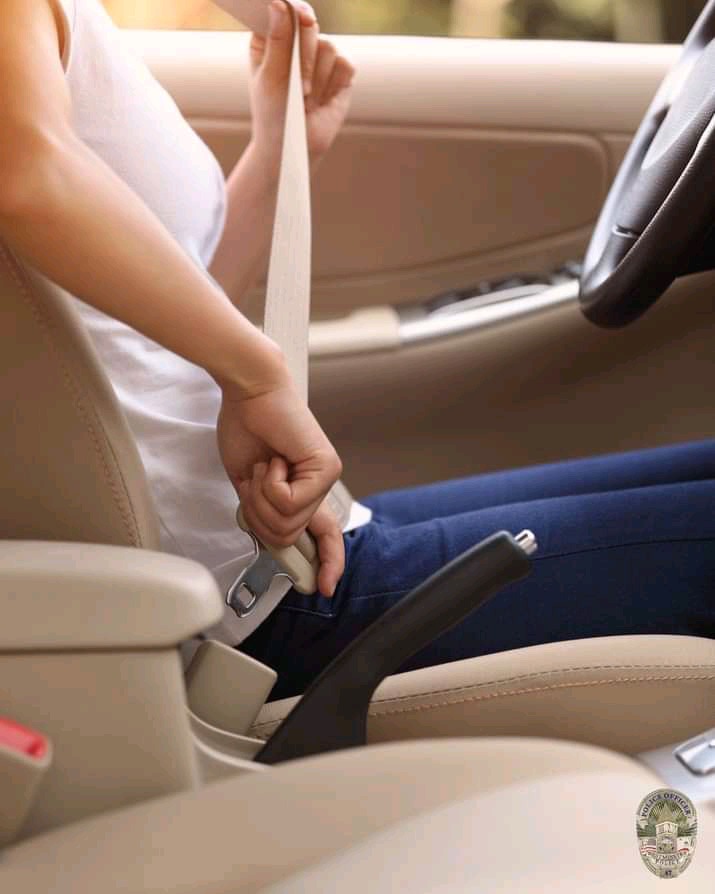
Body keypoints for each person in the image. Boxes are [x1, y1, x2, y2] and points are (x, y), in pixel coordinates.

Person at [2, 0, 713, 702]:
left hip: (292, 554)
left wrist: (281, 149)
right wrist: (257, 378)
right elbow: (27, 177)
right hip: (259, 609)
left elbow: (139, 331)